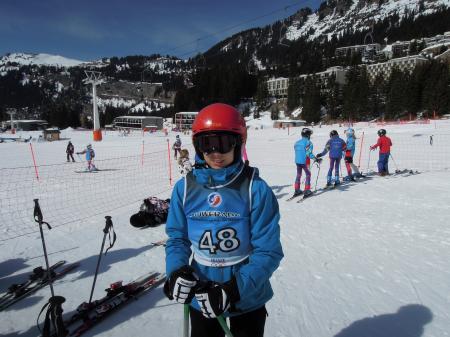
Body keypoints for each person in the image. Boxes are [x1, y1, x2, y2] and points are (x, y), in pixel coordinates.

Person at [163, 103, 283, 337]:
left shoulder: (255, 189)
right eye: (207, 144)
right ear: (198, 146)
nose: (216, 153)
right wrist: (176, 271)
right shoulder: (185, 188)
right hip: (202, 295)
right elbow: (177, 238)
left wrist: (235, 289)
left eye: (224, 143)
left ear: (238, 143)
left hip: (247, 298)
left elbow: (268, 251)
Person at [292, 127, 321, 198]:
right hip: (305, 161)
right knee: (308, 174)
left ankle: (297, 189)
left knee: (298, 175)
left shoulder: (296, 142)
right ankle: (307, 190)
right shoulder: (309, 143)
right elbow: (308, 153)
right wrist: (316, 159)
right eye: (310, 135)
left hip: (297, 161)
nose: (310, 136)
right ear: (308, 135)